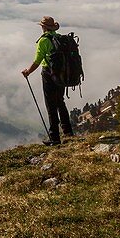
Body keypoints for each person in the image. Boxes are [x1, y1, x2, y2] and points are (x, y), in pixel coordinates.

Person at [21, 15, 75, 145]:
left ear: (44, 27)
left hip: (48, 75)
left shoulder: (43, 41)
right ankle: (68, 132)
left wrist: (27, 71)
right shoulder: (59, 38)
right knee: (60, 102)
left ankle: (54, 138)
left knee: (51, 105)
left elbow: (37, 61)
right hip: (61, 75)